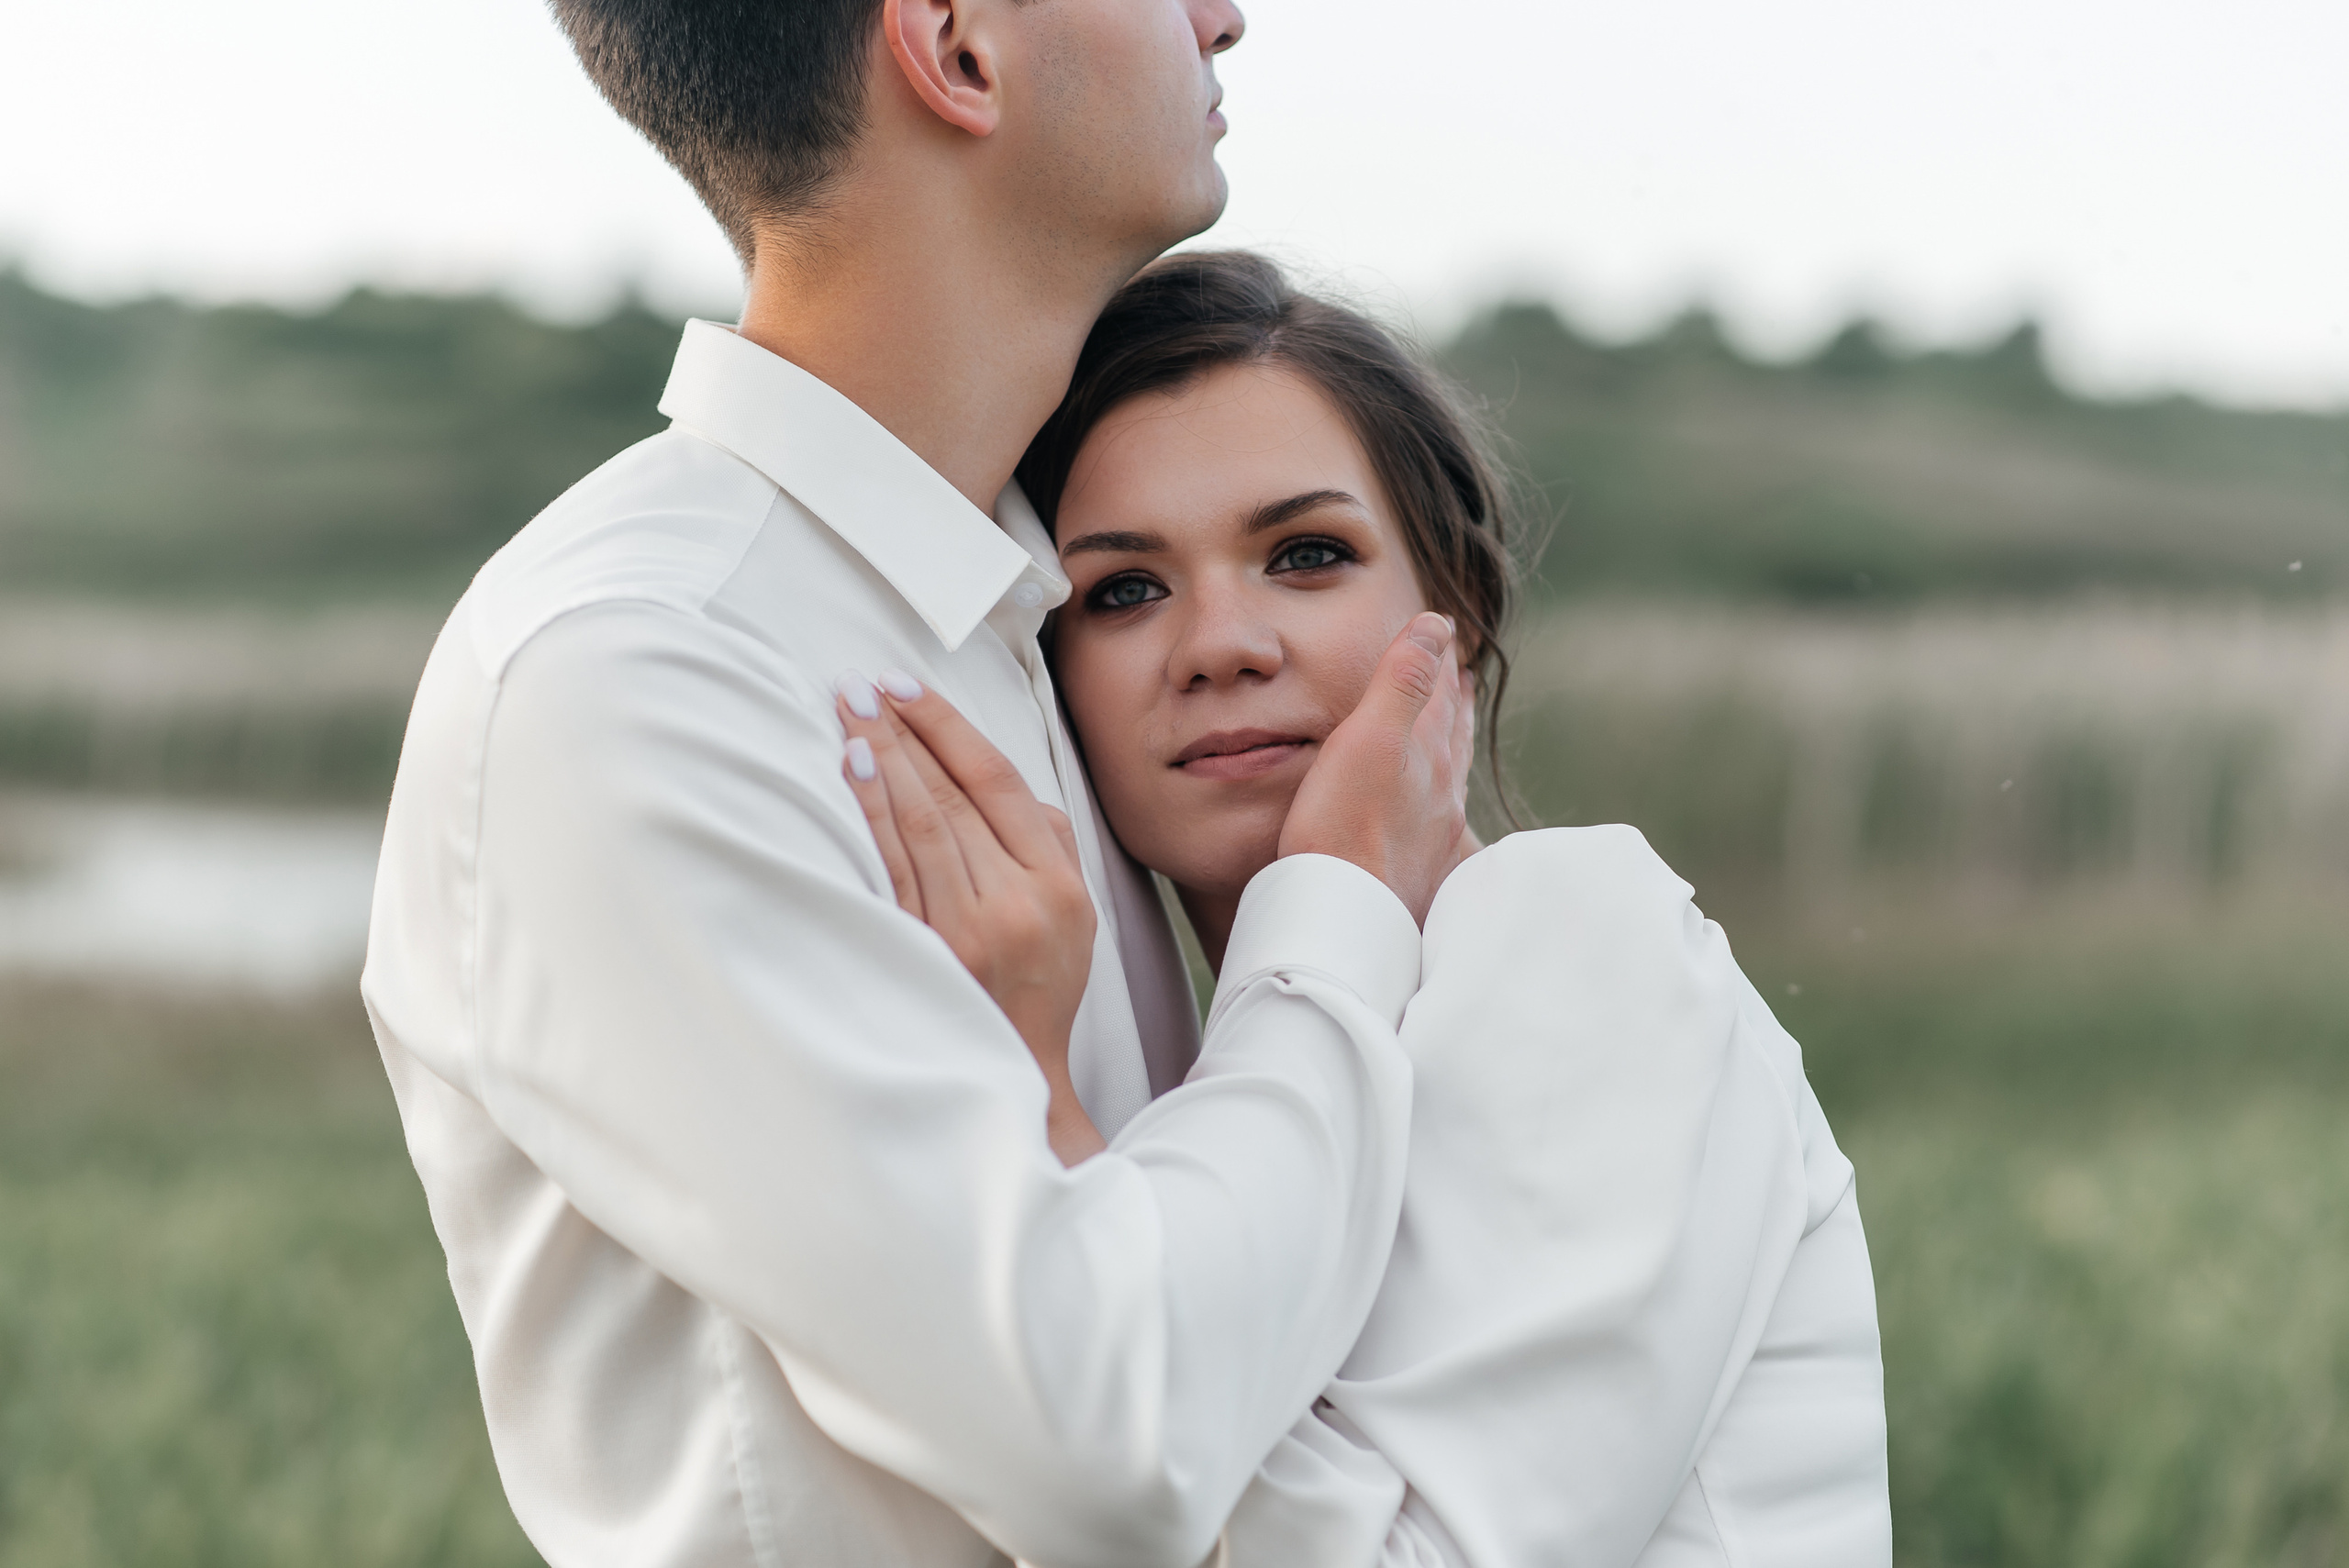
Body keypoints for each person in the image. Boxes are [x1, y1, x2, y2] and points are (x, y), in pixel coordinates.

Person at [362, 5, 1483, 1566]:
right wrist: (1338, 916)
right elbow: (1109, 1437)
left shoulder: (1027, 620)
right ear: (955, 46)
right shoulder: (637, 679)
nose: (1226, 14)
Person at [838, 251, 1894, 1566]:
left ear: (1447, 614)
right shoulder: (1223, 1079)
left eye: (1306, 554)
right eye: (1125, 589)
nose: (1222, 642)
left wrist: (1040, 1111)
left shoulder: (1576, 933)